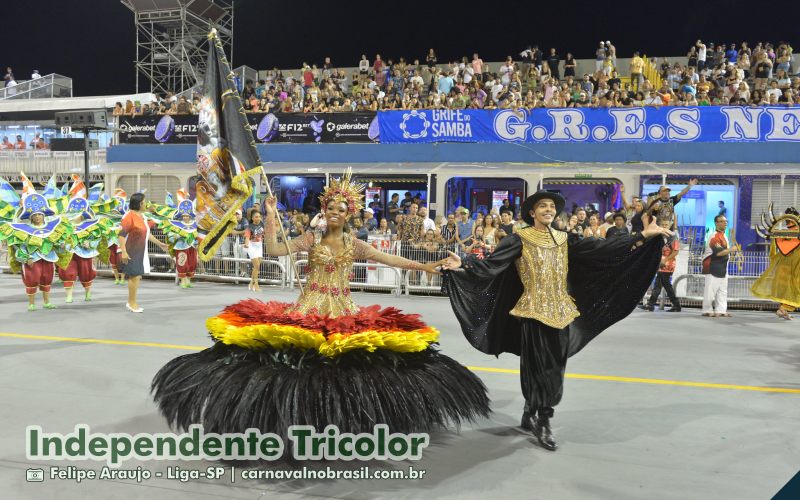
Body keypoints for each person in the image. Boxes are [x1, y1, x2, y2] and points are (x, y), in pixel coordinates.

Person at [152, 170, 489, 437]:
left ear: (350, 214)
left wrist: (425, 266)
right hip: (308, 306)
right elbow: (274, 250)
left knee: (341, 366)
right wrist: (271, 215)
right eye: (330, 207)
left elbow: (391, 259)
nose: (335, 212)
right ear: (324, 211)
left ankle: (343, 419)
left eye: (341, 209)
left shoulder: (355, 244)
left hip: (343, 310)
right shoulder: (310, 237)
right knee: (301, 364)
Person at [441, 190, 669, 451]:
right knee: (535, 366)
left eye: (552, 206)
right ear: (532, 213)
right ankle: (537, 414)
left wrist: (642, 236)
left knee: (554, 368)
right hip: (532, 313)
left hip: (562, 312)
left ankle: (542, 413)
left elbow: (602, 247)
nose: (549, 210)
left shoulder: (564, 239)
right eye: (543, 206)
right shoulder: (519, 239)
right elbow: (492, 264)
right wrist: (464, 264)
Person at [0, 193, 73, 311]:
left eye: (40, 214)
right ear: (31, 217)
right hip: (32, 260)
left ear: (44, 216)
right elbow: (19, 247)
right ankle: (31, 303)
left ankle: (46, 302)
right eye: (35, 215)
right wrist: (25, 258)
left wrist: (63, 246)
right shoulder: (23, 230)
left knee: (47, 279)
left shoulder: (53, 229)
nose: (38, 217)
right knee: (31, 280)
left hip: (48, 258)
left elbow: (57, 246)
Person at [119, 192, 169, 313]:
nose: (146, 203)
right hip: (132, 251)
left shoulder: (142, 217)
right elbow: (121, 235)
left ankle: (132, 302)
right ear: (139, 203)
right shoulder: (129, 216)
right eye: (144, 202)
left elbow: (147, 234)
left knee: (137, 277)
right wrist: (124, 252)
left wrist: (160, 243)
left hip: (141, 251)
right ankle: (131, 303)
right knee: (134, 277)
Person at [751, 207, 800, 320]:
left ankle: (783, 310)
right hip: (793, 268)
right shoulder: (790, 233)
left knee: (789, 290)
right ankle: (782, 309)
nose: (788, 222)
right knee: (794, 290)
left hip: (786, 267)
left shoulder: (785, 234)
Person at [640, 218, 681, 312]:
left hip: (668, 264)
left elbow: (676, 252)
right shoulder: (659, 235)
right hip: (660, 263)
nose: (664, 226)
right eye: (662, 224)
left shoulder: (673, 236)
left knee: (665, 284)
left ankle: (676, 305)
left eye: (666, 224)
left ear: (670, 224)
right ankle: (652, 304)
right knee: (659, 284)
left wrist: (665, 260)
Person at [162, 200, 199, 289]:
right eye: (184, 215)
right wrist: (177, 235)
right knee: (182, 263)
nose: (185, 217)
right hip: (181, 247)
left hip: (192, 247)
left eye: (187, 215)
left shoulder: (195, 224)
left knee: (192, 263)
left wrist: (197, 242)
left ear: (190, 215)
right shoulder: (176, 225)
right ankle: (183, 281)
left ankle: (188, 281)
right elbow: (170, 236)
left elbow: (198, 236)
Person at [702, 215, 733, 318]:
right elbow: (719, 253)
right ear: (716, 223)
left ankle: (721, 310)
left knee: (722, 290)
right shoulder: (714, 236)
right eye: (722, 221)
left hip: (723, 267)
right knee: (710, 290)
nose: (725, 223)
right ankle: (707, 310)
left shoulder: (724, 236)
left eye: (725, 221)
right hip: (712, 266)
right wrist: (732, 250)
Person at [243, 208, 264, 292]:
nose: (258, 218)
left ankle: (251, 282)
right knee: (257, 266)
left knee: (257, 267)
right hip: (251, 246)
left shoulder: (262, 224)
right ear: (252, 218)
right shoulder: (249, 227)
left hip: (259, 246)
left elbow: (264, 233)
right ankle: (256, 285)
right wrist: (246, 244)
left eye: (259, 216)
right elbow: (247, 237)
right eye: (256, 217)